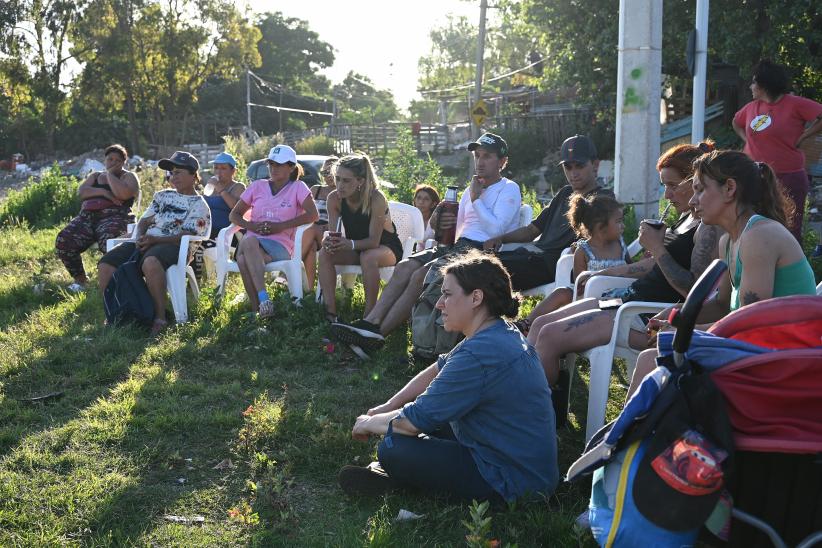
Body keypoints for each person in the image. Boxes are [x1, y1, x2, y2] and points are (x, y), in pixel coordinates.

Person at [338, 251, 558, 502]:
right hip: (521, 463)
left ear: (476, 297)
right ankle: (407, 475)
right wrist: (387, 408)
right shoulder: (497, 331)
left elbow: (411, 422)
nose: (439, 303)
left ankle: (402, 479)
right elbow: (437, 369)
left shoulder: (479, 353)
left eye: (447, 294)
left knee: (392, 447)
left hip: (512, 481)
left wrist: (367, 423)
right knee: (414, 422)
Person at [526, 143, 722, 421]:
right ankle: (536, 403)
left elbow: (693, 290)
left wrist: (659, 247)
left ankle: (534, 420)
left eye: (673, 185)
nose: (667, 194)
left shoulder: (707, 230)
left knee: (549, 337)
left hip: (642, 314)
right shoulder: (685, 221)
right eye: (663, 186)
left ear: (696, 183)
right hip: (626, 298)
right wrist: (605, 274)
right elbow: (654, 266)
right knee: (539, 324)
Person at [627, 149, 817, 398]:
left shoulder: (759, 236)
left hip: (785, 359)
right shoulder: (728, 241)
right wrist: (679, 318)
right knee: (655, 357)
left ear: (729, 189)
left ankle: (630, 436)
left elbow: (751, 324)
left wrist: (686, 332)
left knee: (652, 359)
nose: (693, 201)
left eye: (700, 190)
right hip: (760, 348)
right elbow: (722, 305)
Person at [329, 133, 521, 350]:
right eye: (477, 156)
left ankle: (377, 336)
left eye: (487, 156)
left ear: (502, 162)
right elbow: (451, 232)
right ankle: (370, 322)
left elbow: (496, 230)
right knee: (404, 267)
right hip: (458, 246)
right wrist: (439, 221)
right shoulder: (471, 189)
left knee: (421, 275)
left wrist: (476, 199)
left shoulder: (508, 188)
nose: (480, 161)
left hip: (482, 253)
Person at [97, 151, 210, 337]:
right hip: (148, 241)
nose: (174, 177)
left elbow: (186, 235)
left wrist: (155, 240)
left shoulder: (199, 205)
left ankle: (159, 318)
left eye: (179, 172)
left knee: (150, 262)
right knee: (106, 263)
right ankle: (113, 314)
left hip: (175, 246)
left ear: (193, 176)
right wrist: (140, 237)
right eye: (172, 173)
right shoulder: (162, 196)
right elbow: (143, 222)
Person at [484, 134, 612, 291]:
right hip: (531, 257)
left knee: (481, 272)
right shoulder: (565, 193)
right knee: (474, 264)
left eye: (579, 166)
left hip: (553, 265)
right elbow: (531, 231)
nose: (573, 173)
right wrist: (500, 238)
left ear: (595, 165)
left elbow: (600, 239)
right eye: (568, 167)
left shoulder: (603, 199)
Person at [732, 59, 822, 241]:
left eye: (754, 82)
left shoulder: (795, 103)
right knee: (753, 228)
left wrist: (804, 136)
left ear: (764, 85)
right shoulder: (751, 107)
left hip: (788, 177)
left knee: (789, 231)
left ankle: (790, 269)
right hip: (755, 176)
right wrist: (747, 139)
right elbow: (736, 122)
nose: (751, 86)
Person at [518, 193, 629, 334]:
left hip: (616, 302)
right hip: (588, 302)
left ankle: (548, 328)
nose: (623, 226)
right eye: (618, 221)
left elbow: (632, 268)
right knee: (562, 293)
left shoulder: (620, 245)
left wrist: (644, 259)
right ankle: (527, 324)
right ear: (601, 227)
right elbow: (580, 288)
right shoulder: (584, 251)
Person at [228, 145, 319, 317]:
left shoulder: (299, 187)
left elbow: (313, 215)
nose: (273, 168)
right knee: (247, 247)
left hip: (281, 245)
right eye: (271, 164)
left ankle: (260, 304)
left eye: (279, 164)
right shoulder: (257, 186)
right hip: (254, 243)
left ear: (291, 167)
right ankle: (262, 308)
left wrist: (281, 226)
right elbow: (234, 215)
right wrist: (253, 226)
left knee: (242, 258)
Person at [318, 153, 404, 321]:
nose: (340, 185)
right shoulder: (334, 199)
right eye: (338, 178)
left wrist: (348, 244)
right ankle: (330, 314)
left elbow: (373, 241)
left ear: (360, 181)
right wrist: (328, 240)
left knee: (368, 256)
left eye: (346, 180)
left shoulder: (376, 198)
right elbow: (333, 232)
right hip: (357, 248)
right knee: (324, 253)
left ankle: (369, 317)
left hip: (385, 249)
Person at [56, 144, 140, 292]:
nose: (113, 162)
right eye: (110, 159)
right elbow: (82, 192)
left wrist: (110, 175)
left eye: (117, 160)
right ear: (105, 160)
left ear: (124, 162)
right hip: (87, 217)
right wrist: (104, 192)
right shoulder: (95, 176)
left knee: (111, 241)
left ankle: (115, 281)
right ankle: (81, 280)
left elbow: (124, 195)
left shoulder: (128, 176)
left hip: (115, 216)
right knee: (65, 239)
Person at [192, 152, 245, 280]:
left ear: (233, 171)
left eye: (223, 168)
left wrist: (221, 190)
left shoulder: (238, 187)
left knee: (197, 243)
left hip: (228, 234)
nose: (218, 172)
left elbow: (235, 207)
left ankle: (197, 280)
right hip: (207, 230)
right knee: (188, 240)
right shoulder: (211, 188)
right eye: (216, 168)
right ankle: (191, 279)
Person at [301, 156, 339, 289]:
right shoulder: (315, 190)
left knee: (311, 230)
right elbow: (304, 214)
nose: (327, 176)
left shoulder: (341, 193)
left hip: (330, 233)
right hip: (311, 233)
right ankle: (310, 290)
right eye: (324, 173)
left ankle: (287, 271)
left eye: (330, 172)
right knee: (310, 246)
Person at [412, 184, 441, 248]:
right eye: (418, 198)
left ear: (433, 204)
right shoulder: (410, 218)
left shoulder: (437, 221)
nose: (421, 202)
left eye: (426, 199)